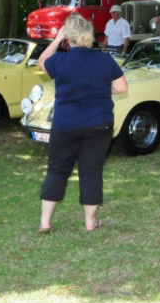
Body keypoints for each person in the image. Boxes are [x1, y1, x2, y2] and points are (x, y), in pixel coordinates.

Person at [37, 13, 128, 233]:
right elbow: (122, 88)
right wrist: (100, 89)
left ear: (69, 37)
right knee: (91, 172)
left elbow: (42, 62)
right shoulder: (105, 60)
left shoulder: (60, 60)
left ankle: (45, 223)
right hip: (99, 124)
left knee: (57, 170)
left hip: (65, 125)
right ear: (91, 35)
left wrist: (57, 39)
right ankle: (90, 222)